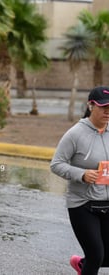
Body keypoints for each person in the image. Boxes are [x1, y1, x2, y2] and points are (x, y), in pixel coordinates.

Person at [50, 86, 109, 275]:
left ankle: (81, 265)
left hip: (107, 202)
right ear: (91, 106)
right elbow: (56, 164)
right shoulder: (75, 134)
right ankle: (87, 264)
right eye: (103, 106)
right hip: (82, 204)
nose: (108, 111)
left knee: (107, 257)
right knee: (96, 255)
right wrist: (81, 174)